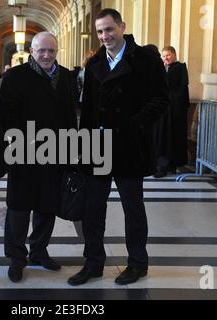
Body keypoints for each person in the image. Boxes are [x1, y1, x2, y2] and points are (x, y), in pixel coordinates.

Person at [68, 9, 169, 286]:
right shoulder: (96, 62)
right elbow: (87, 110)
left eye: (109, 29)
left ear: (122, 27)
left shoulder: (146, 58)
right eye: (100, 31)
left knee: (133, 209)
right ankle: (93, 264)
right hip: (97, 147)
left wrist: (133, 125)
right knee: (93, 210)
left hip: (129, 146)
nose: (105, 36)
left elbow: (161, 100)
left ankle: (137, 264)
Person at [0, 31, 77, 283]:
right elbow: (6, 115)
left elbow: (71, 114)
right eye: (41, 51)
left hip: (57, 151)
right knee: (19, 206)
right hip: (24, 151)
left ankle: (39, 251)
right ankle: (16, 257)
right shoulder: (15, 76)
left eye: (51, 51)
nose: (46, 55)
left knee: (48, 205)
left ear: (56, 51)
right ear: (32, 52)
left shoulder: (67, 76)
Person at [154, 46, 190, 178]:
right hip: (163, 111)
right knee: (162, 137)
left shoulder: (180, 67)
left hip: (175, 110)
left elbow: (181, 89)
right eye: (163, 56)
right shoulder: (161, 69)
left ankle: (172, 165)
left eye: (168, 55)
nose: (166, 58)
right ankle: (161, 165)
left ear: (174, 54)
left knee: (173, 137)